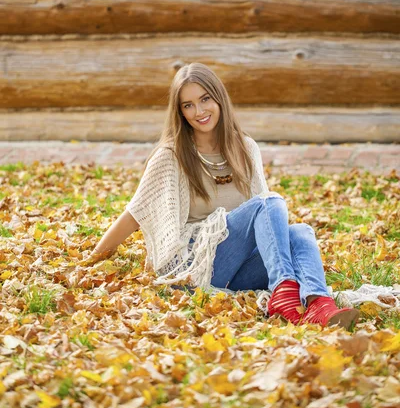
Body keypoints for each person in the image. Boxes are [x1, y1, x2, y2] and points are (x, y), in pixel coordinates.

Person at [89, 63, 359, 329]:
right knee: (269, 203)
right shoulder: (171, 155)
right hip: (194, 266)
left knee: (299, 232)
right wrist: (91, 260)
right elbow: (135, 214)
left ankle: (320, 306)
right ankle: (285, 292)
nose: (199, 111)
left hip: (236, 266)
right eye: (188, 105)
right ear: (180, 112)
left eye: (205, 99)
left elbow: (266, 226)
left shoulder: (245, 148)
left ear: (219, 98)